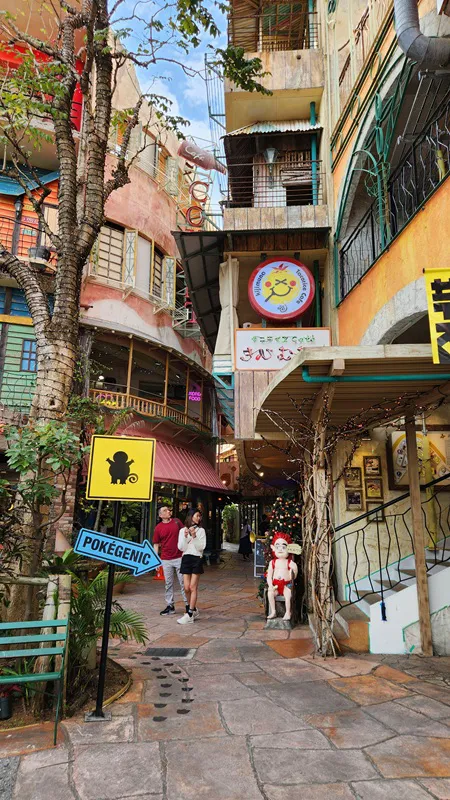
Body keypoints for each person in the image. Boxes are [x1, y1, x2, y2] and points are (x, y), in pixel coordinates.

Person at [153, 506, 188, 616]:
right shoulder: (158, 528)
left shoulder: (177, 522)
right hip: (166, 559)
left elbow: (184, 533)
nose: (168, 511)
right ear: (160, 515)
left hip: (179, 557)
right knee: (168, 583)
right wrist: (156, 561)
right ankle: (170, 606)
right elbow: (156, 544)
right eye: (165, 510)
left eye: (168, 509)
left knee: (184, 583)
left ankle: (188, 605)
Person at [177, 509, 206, 625]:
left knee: (193, 587)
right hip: (186, 558)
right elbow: (181, 548)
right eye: (197, 515)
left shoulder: (201, 531)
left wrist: (194, 536)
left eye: (200, 516)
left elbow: (201, 547)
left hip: (197, 558)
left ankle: (189, 614)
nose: (199, 518)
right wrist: (185, 537)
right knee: (186, 587)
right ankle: (192, 608)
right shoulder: (182, 531)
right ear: (191, 517)